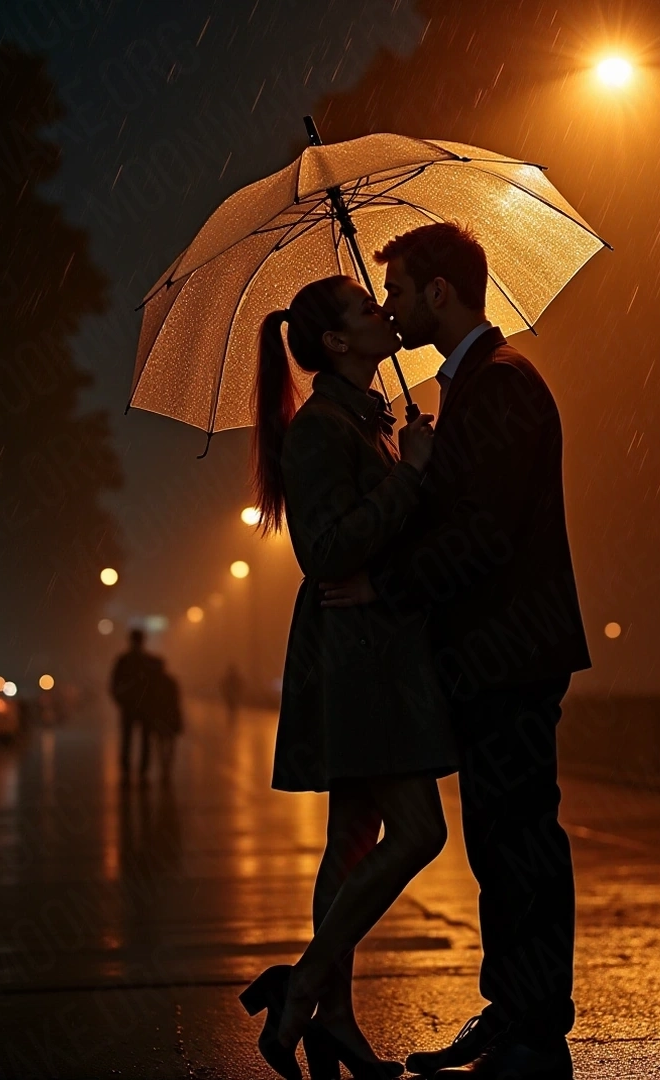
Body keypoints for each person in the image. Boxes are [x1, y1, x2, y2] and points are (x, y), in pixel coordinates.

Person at [322, 223, 591, 1080]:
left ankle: (533, 1024)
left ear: (441, 292)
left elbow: (486, 532)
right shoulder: (472, 388)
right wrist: (423, 461)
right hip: (491, 654)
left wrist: (385, 586)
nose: (390, 307)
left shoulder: (501, 386)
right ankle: (515, 1010)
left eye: (397, 290)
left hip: (508, 652)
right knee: (502, 840)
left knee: (519, 841)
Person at [238, 275, 457, 1080]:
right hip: (358, 659)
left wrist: (411, 459)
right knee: (420, 832)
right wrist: (410, 475)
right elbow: (326, 553)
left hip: (375, 651)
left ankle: (336, 1018)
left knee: (353, 840)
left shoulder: (360, 423)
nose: (382, 313)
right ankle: (302, 992)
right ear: (334, 342)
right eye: (366, 308)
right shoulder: (320, 431)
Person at [110, 628, 160, 786]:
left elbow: (114, 686)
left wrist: (121, 701)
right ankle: (142, 772)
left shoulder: (123, 661)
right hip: (142, 707)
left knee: (128, 740)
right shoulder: (150, 662)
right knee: (144, 740)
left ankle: (127, 772)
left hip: (131, 706)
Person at [149, 657, 183, 786]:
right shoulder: (171, 681)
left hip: (159, 717)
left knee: (160, 743)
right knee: (170, 743)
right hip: (170, 716)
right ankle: (167, 766)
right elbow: (177, 700)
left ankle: (164, 765)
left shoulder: (153, 683)